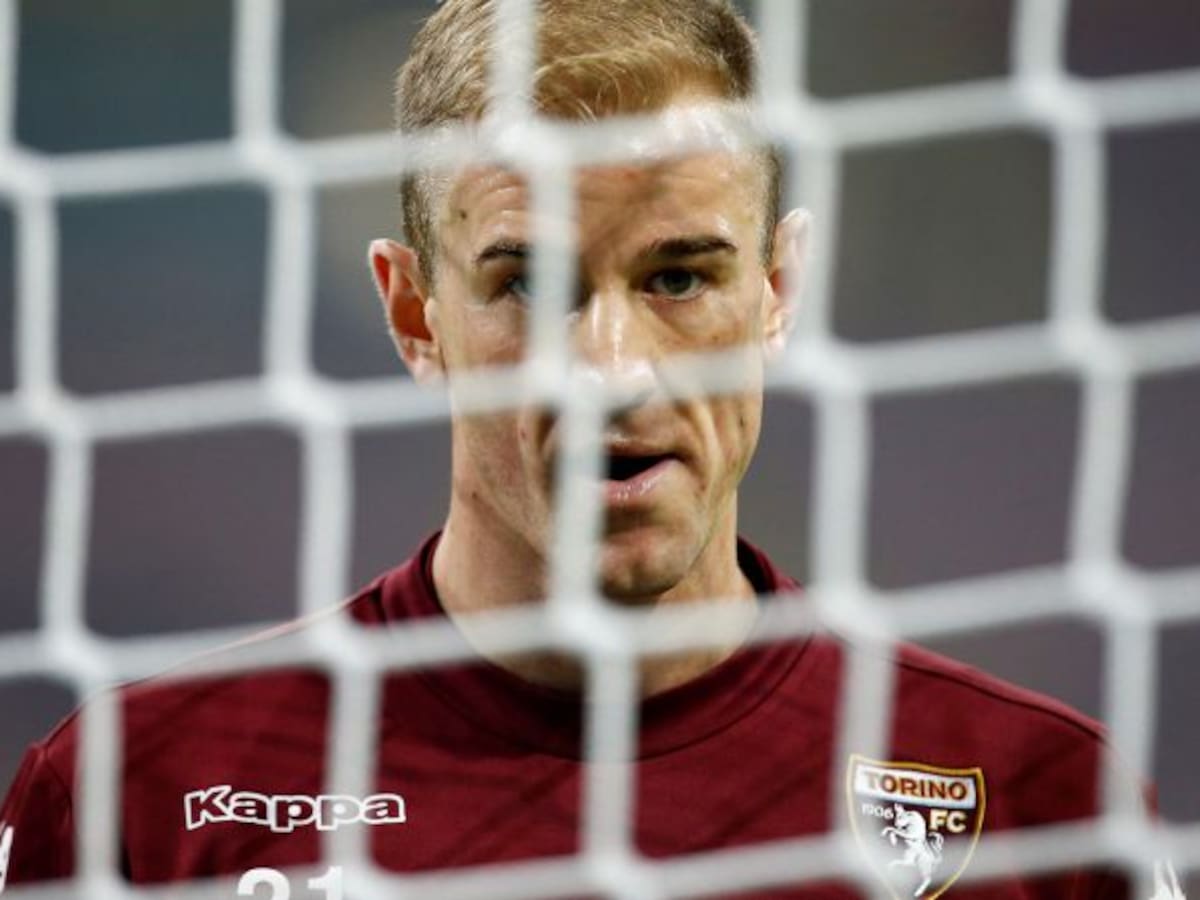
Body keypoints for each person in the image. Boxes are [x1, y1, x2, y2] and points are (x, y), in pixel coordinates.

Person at [0, 1, 1180, 898]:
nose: (614, 370)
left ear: (777, 291)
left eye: (680, 278)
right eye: (529, 284)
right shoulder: (141, 794)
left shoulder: (1037, 807)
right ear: (415, 314)